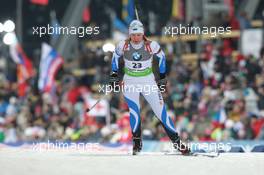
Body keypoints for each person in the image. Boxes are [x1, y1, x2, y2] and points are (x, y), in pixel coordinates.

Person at [109, 20, 190, 155]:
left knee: (161, 112)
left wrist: (163, 76)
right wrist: (113, 75)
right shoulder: (123, 45)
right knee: (134, 111)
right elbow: (115, 57)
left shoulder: (151, 45)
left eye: (139, 35)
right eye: (133, 35)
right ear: (130, 34)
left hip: (148, 82)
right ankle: (136, 143)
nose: (136, 38)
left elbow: (162, 57)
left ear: (143, 34)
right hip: (130, 81)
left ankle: (178, 143)